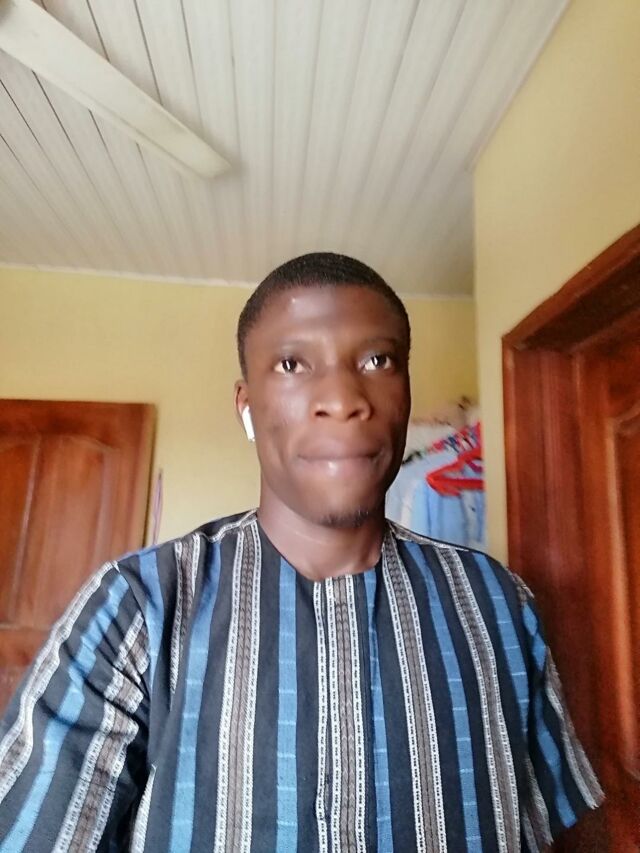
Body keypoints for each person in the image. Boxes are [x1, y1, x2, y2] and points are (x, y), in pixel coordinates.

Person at [0, 253, 602, 852]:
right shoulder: (138, 606)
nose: (342, 399)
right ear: (247, 408)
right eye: (292, 364)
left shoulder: (498, 603)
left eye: (378, 360)